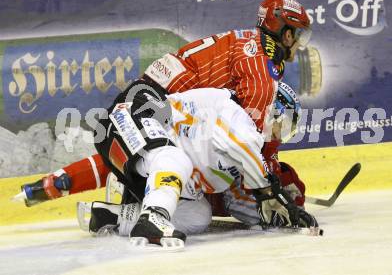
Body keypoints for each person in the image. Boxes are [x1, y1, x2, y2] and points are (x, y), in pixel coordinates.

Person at [13, 0, 312, 205]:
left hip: (150, 96)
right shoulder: (260, 64)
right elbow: (249, 138)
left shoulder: (249, 42)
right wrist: (274, 178)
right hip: (165, 102)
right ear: (284, 33)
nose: (299, 43)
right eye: (298, 34)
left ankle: (53, 184)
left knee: (135, 157)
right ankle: (133, 208)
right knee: (170, 168)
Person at [15, 82, 319, 248]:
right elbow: (240, 145)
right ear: (271, 110)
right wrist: (269, 190)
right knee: (171, 158)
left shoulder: (238, 158)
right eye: (283, 125)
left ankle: (112, 217)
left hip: (146, 159)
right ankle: (152, 218)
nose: (280, 136)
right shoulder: (232, 110)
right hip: (135, 111)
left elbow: (239, 203)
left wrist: (284, 212)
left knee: (199, 215)